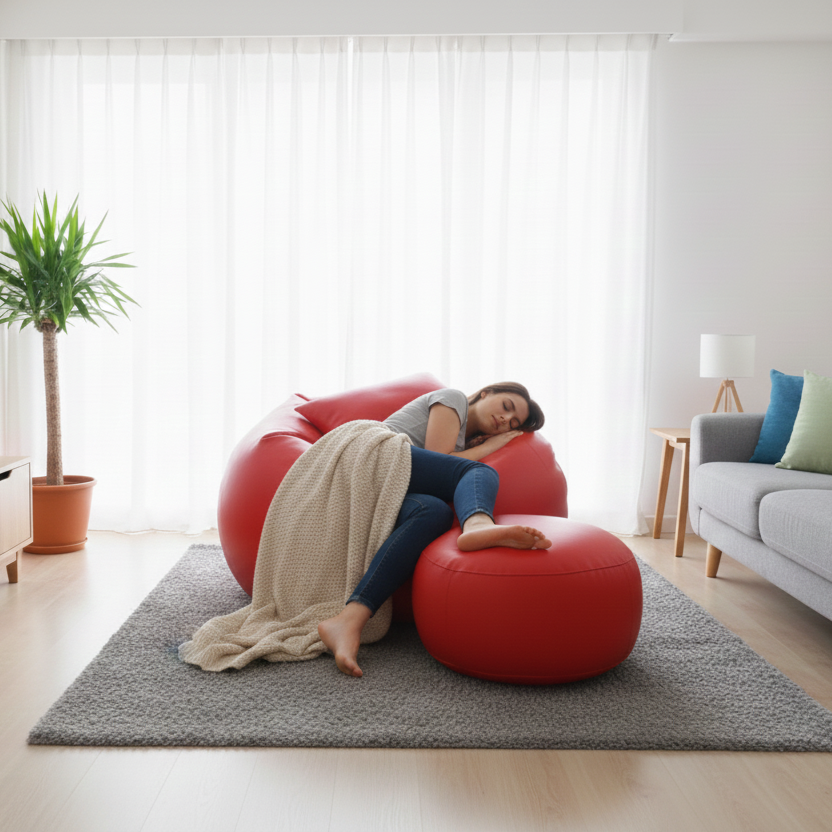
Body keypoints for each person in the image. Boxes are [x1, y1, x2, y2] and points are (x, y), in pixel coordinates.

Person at [317, 382, 553, 677]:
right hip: (373, 456)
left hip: (389, 485)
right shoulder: (453, 400)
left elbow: (440, 463)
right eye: (506, 407)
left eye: (513, 423)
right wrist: (490, 447)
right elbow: (440, 455)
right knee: (479, 471)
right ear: (485, 393)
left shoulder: (465, 441)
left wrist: (477, 446)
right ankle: (478, 524)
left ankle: (348, 620)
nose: (506, 420)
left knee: (433, 512)